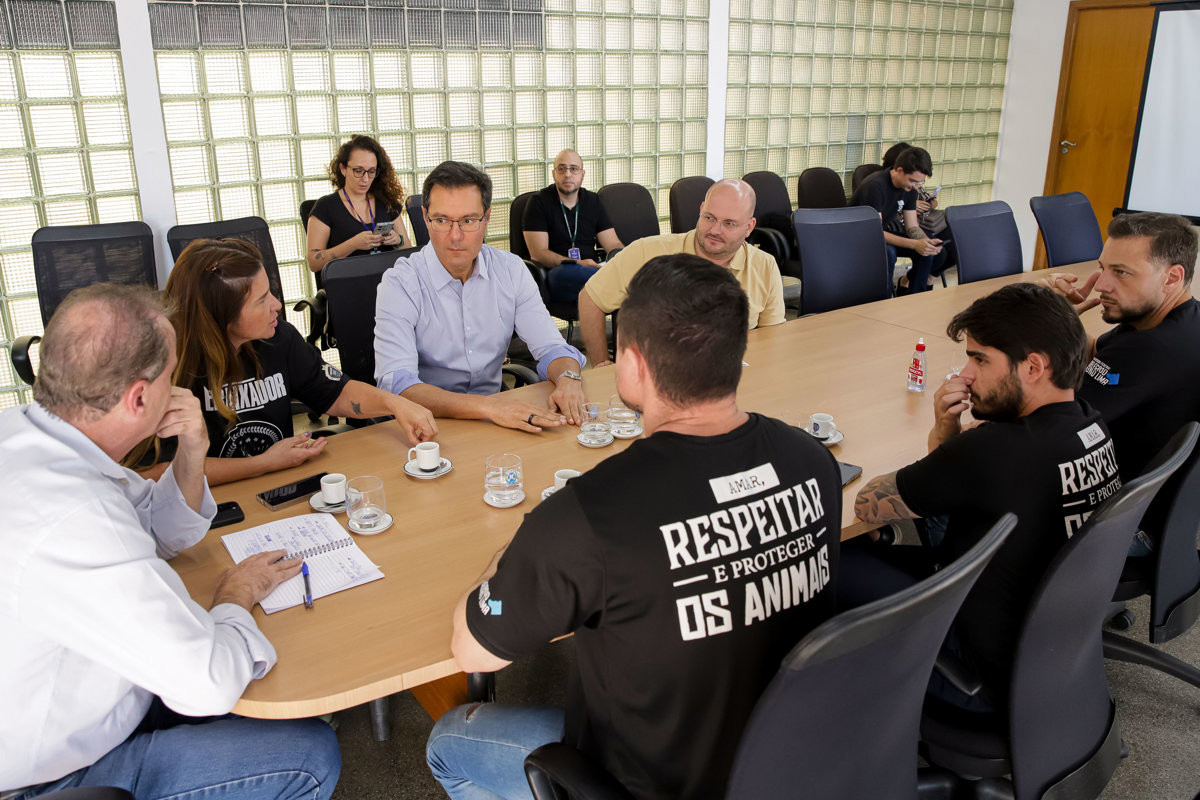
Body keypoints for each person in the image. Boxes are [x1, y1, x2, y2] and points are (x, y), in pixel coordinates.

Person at [426, 254, 841, 800]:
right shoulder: (812, 460)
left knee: (449, 742)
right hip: (791, 757)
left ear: (634, 365)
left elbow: (473, 651)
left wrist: (509, 555)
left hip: (653, 779)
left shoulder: (589, 515)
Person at [0, 284, 340, 800]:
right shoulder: (78, 519)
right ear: (139, 398)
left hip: (81, 689)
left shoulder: (29, 435)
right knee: (309, 752)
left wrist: (192, 450)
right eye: (171, 377)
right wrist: (233, 598)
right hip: (53, 775)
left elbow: (157, 531)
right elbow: (208, 682)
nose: (178, 389)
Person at [852, 282, 1119, 709]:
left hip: (980, 672)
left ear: (1033, 367)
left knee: (834, 560)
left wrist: (948, 436)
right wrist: (951, 439)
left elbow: (868, 502)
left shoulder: (995, 451)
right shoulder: (1091, 426)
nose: (965, 376)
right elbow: (950, 490)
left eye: (979, 359)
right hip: (1052, 657)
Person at [152, 237, 436, 486]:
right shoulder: (167, 370)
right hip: (205, 508)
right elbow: (152, 474)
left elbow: (335, 392)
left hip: (279, 486)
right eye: (262, 300)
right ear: (221, 315)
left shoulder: (277, 338)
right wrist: (263, 463)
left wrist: (395, 403)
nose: (277, 305)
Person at [374, 160, 588, 431]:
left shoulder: (510, 270)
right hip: (426, 424)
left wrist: (569, 379)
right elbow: (399, 384)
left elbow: (551, 347)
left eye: (468, 220)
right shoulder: (400, 283)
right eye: (441, 220)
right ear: (426, 217)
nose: (455, 236)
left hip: (494, 421)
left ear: (486, 218)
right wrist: (487, 407)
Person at [1041, 211, 1200, 483]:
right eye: (1103, 268)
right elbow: (1097, 354)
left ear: (1172, 277)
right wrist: (1058, 316)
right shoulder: (1173, 320)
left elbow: (1052, 425)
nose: (1102, 285)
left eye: (1121, 272)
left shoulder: (1150, 348)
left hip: (1109, 502)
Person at [578, 178, 785, 367]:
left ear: (749, 227)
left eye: (729, 223)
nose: (715, 230)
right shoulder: (646, 253)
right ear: (701, 209)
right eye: (709, 217)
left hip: (729, 382)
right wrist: (601, 364)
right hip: (656, 382)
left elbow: (772, 340)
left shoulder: (764, 266)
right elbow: (590, 299)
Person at [522, 149, 625, 305]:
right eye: (561, 169)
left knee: (629, 269)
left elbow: (613, 244)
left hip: (593, 272)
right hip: (557, 275)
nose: (568, 174)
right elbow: (539, 255)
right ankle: (612, 282)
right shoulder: (538, 202)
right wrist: (578, 263)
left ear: (582, 174)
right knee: (565, 274)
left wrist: (623, 259)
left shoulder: (593, 201)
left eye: (574, 169)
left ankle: (613, 281)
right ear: (554, 174)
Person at [306, 134, 411, 282]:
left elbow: (408, 250)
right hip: (350, 286)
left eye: (371, 171)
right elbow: (313, 262)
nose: (365, 179)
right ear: (343, 169)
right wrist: (353, 244)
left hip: (390, 283)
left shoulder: (386, 202)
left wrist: (397, 241)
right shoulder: (326, 207)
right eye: (358, 171)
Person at [850, 145, 944, 295]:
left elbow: (912, 227)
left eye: (920, 183)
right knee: (889, 252)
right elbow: (875, 234)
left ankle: (916, 296)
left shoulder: (910, 189)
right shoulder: (875, 186)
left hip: (879, 233)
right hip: (857, 238)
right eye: (913, 181)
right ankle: (885, 299)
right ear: (899, 170)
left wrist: (926, 243)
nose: (916, 187)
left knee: (927, 250)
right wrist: (915, 244)